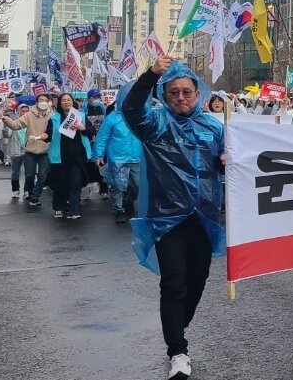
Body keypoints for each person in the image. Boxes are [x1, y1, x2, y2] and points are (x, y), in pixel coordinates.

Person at [122, 55, 226, 380]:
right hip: (169, 220)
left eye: (187, 92)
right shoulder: (154, 125)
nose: (181, 97)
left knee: (197, 282)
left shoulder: (213, 126)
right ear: (165, 96)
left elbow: (221, 166)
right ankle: (177, 352)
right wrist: (150, 75)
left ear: (198, 94)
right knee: (174, 285)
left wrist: (226, 161)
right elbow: (130, 109)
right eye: (174, 93)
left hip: (205, 219)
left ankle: (176, 324)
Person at [94, 93, 144, 224]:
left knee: (137, 186)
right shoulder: (112, 119)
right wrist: (98, 155)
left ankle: (128, 201)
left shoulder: (138, 116)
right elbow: (102, 137)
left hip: (136, 157)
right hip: (117, 157)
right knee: (118, 186)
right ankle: (118, 209)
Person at [48, 92, 94, 221]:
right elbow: (48, 134)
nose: (66, 102)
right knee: (60, 184)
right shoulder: (54, 118)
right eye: (63, 100)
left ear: (72, 102)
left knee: (75, 183)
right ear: (59, 103)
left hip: (77, 156)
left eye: (68, 100)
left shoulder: (80, 116)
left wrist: (83, 128)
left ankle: (74, 210)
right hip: (60, 156)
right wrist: (45, 136)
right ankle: (59, 207)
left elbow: (92, 132)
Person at [3, 93, 55, 206]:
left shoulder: (52, 115)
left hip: (45, 150)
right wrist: (6, 119)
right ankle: (30, 193)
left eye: (46, 100)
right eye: (41, 100)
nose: (43, 102)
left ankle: (35, 196)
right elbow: (16, 125)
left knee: (42, 175)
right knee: (30, 174)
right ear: (37, 102)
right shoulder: (29, 115)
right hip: (30, 150)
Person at [5, 104, 30, 197]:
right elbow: (6, 135)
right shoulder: (14, 122)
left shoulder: (31, 122)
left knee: (29, 171)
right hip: (17, 150)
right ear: (18, 112)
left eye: (27, 111)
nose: (25, 113)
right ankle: (15, 190)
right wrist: (5, 124)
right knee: (15, 171)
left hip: (29, 150)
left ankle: (27, 190)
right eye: (22, 111)